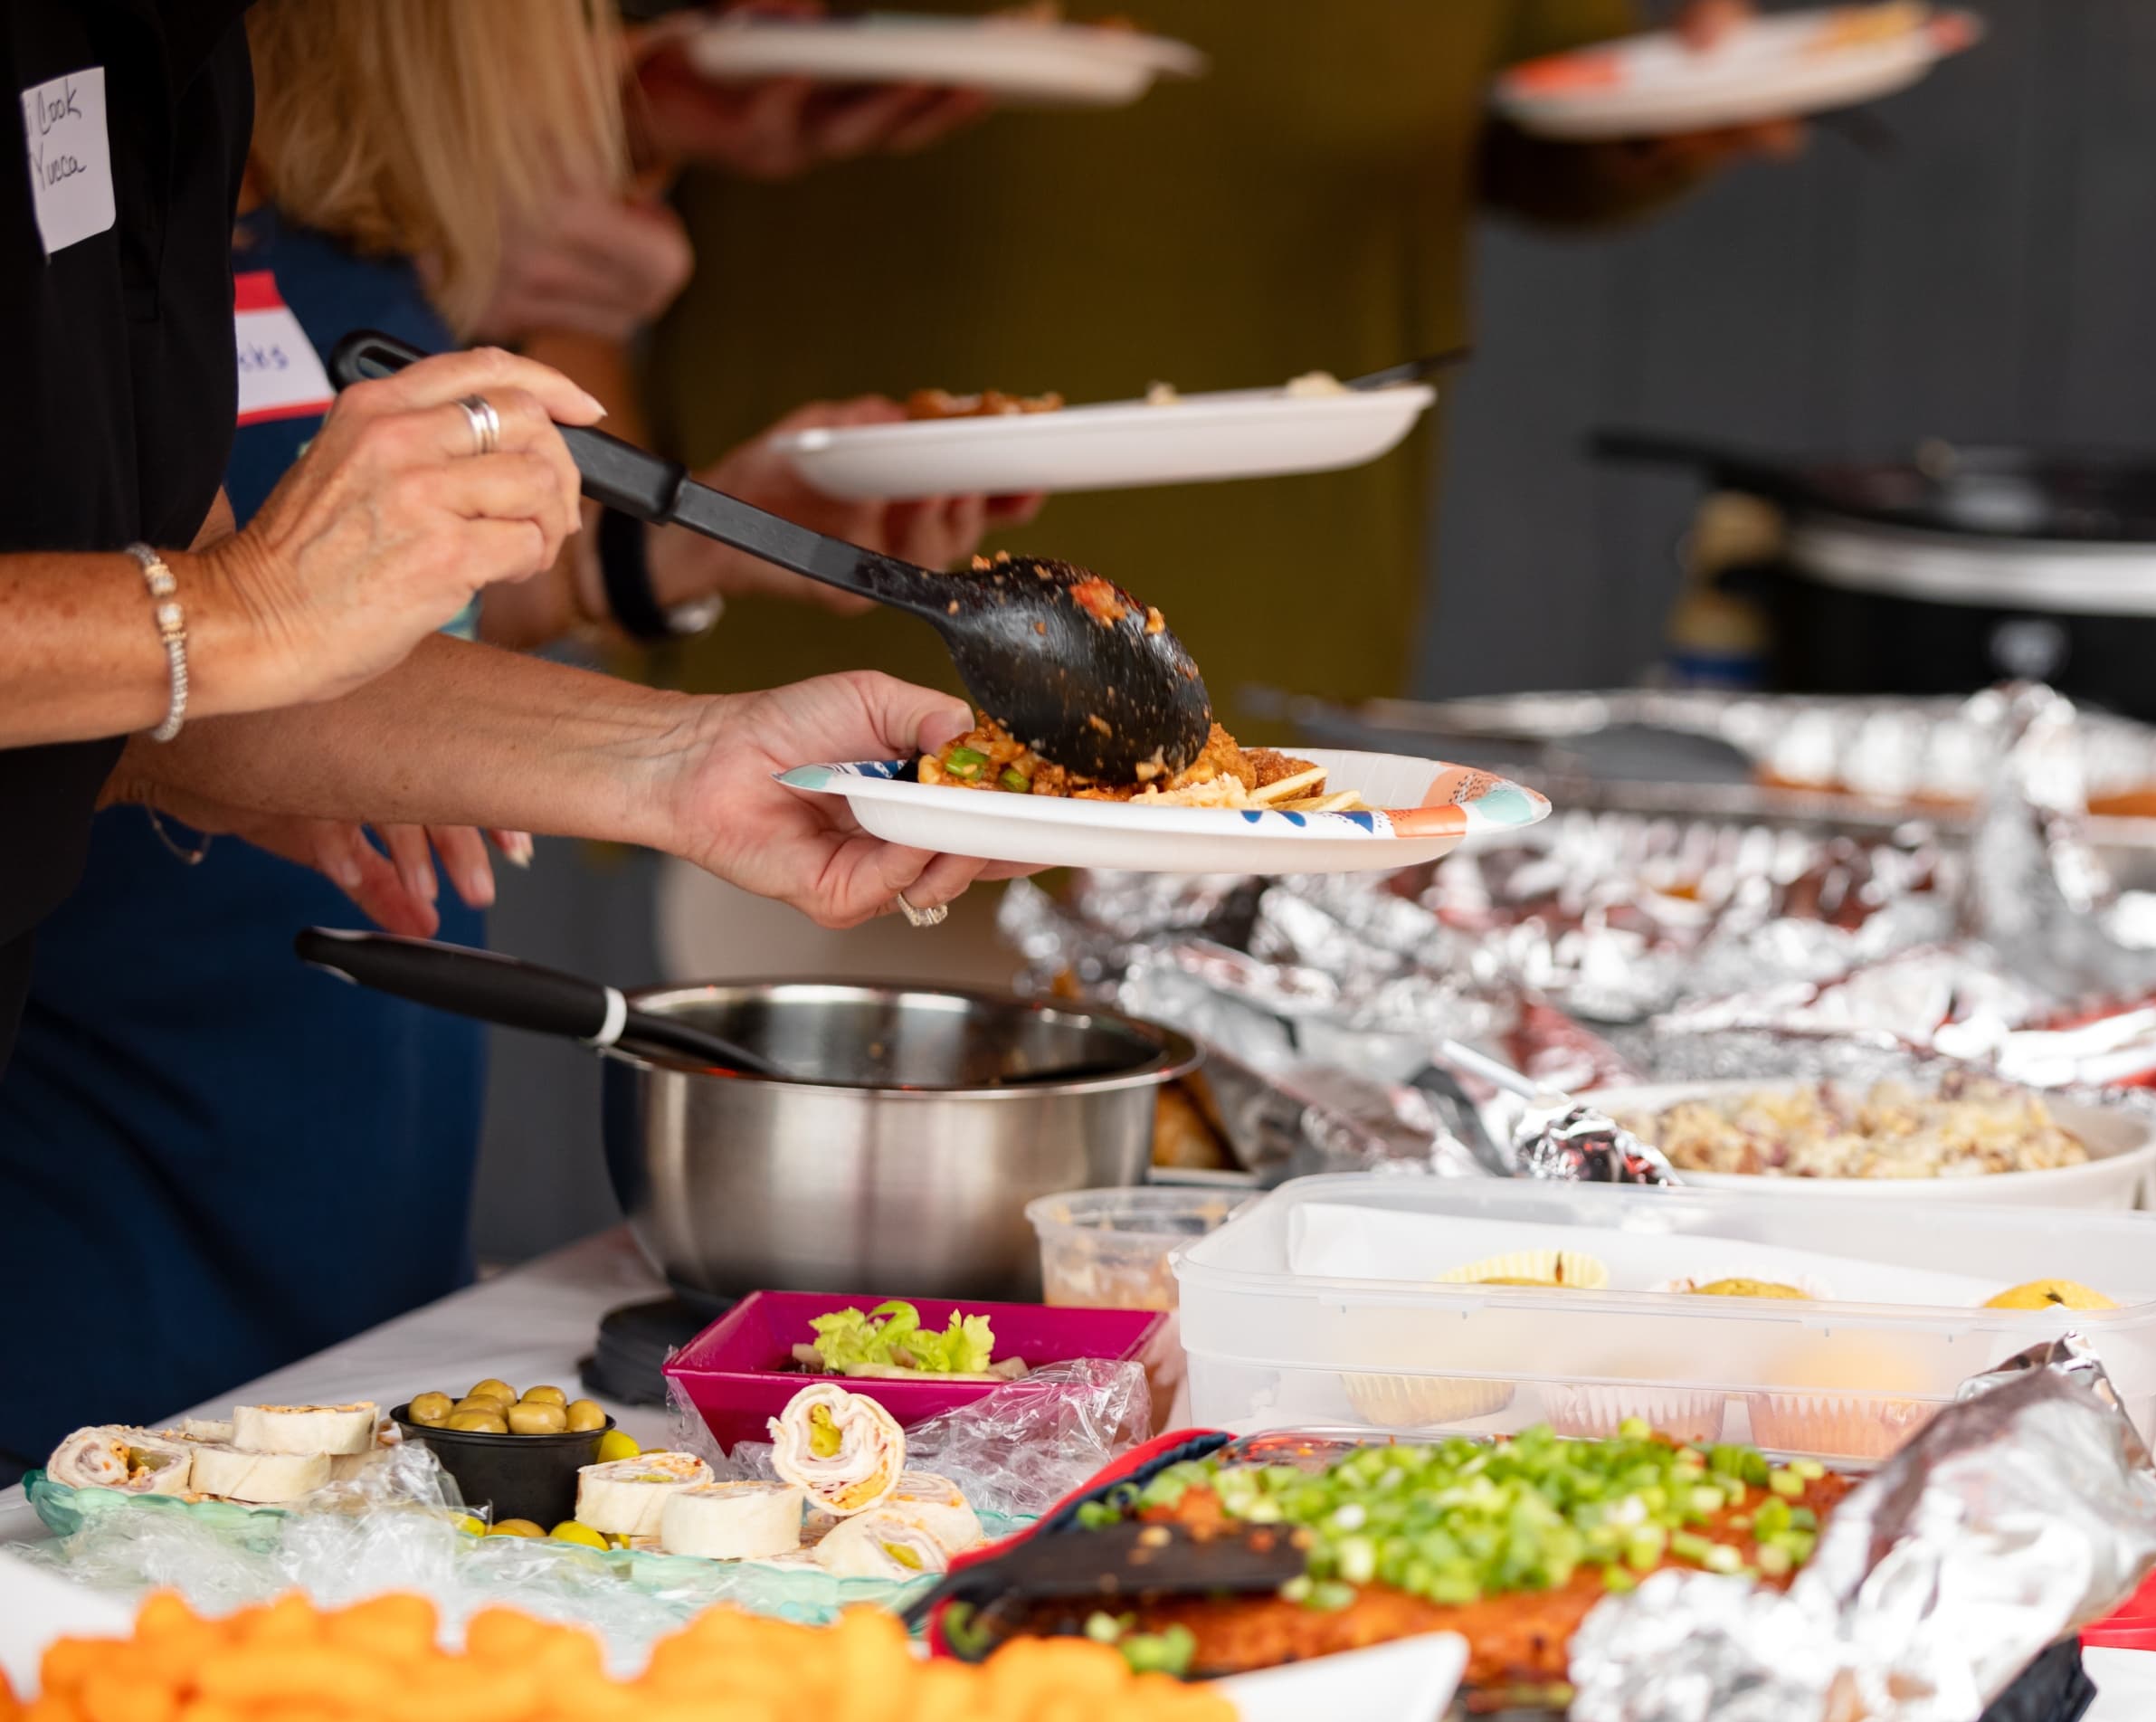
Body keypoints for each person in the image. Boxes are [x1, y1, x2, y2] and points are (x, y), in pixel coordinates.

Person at [0, 0, 1018, 1466]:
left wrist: (696, 763)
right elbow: (210, 626)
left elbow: (173, 683)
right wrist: (239, 610)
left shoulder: (165, 69)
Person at [632, 0, 1791, 978]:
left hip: (1291, 589)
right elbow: (558, 119)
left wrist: (1667, 120)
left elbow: (1542, 109)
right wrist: (618, 559)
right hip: (826, 603)